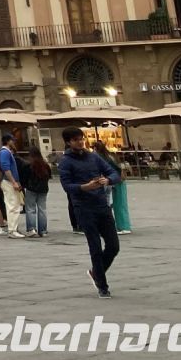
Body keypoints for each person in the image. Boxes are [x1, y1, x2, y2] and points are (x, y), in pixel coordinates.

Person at [57, 127, 121, 298]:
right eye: (76, 139)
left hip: (102, 205)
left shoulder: (93, 157)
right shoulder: (65, 162)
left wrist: (107, 180)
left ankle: (96, 272)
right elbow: (66, 186)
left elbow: (114, 172)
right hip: (84, 208)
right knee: (95, 247)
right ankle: (102, 285)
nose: (80, 141)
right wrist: (84, 187)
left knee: (114, 246)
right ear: (69, 142)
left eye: (81, 138)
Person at [93, 143, 132, 234]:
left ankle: (123, 227)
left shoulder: (103, 157)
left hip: (116, 180)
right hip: (117, 180)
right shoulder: (110, 155)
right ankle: (122, 226)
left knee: (118, 204)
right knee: (119, 203)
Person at [0, 133, 26, 238]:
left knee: (13, 205)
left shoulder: (5, 152)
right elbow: (6, 168)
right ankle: (12, 230)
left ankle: (13, 229)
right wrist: (14, 181)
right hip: (9, 182)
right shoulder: (5, 152)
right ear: (8, 141)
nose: (14, 142)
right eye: (12, 140)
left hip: (8, 181)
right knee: (13, 206)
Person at [23, 148, 52, 237]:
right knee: (42, 209)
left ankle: (32, 229)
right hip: (43, 189)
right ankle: (43, 230)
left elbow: (25, 178)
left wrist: (24, 185)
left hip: (31, 189)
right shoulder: (45, 165)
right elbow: (49, 176)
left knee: (30, 209)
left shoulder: (29, 166)